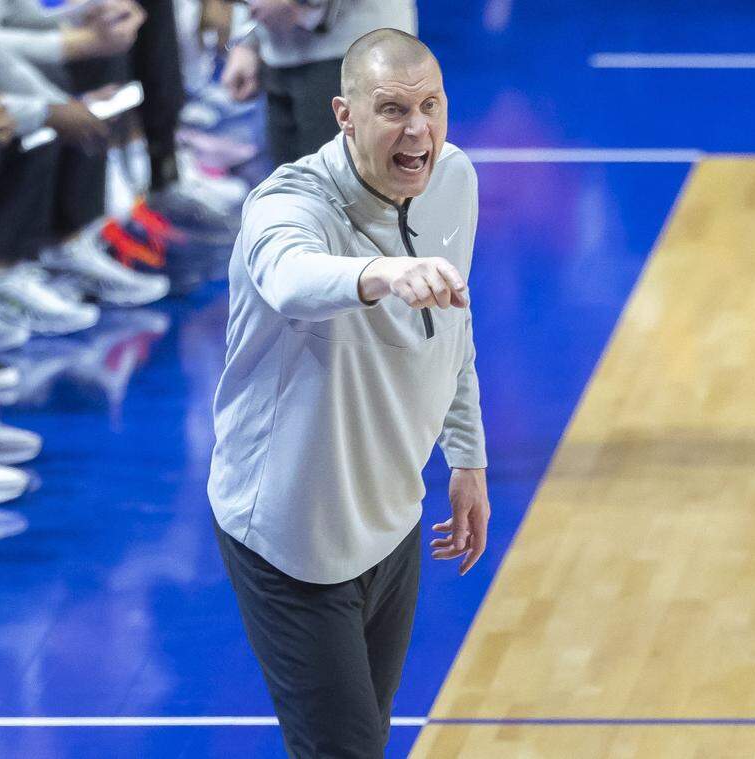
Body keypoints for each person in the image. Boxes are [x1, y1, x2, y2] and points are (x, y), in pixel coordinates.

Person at [208, 28, 489, 757]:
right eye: (393, 109)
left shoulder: (453, 178)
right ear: (344, 114)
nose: (419, 129)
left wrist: (468, 456)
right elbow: (288, 276)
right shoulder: (289, 202)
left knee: (367, 734)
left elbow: (453, 331)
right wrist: (380, 275)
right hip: (290, 535)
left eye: (431, 105)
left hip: (391, 519)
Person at [208, 0, 417, 166]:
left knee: (352, 199)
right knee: (292, 197)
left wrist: (297, 2)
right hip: (277, 54)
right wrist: (247, 41)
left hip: (354, 48)